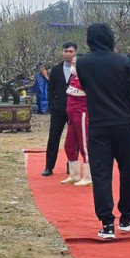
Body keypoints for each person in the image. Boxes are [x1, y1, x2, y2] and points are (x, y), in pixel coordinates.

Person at [76, 23, 130, 236]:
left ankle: (106, 223)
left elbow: (86, 88)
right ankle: (126, 216)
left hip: (98, 125)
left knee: (101, 174)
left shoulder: (83, 63)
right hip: (124, 124)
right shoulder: (123, 61)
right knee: (127, 173)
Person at [42, 43, 77, 176]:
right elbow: (50, 89)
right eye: (66, 51)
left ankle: (72, 164)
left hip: (74, 108)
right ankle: (49, 166)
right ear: (62, 52)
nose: (68, 54)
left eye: (71, 51)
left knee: (74, 139)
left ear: (75, 53)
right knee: (53, 137)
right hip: (58, 109)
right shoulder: (56, 69)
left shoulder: (80, 68)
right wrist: (52, 105)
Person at [63, 54, 91, 185]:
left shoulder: (87, 79)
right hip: (71, 117)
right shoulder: (73, 78)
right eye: (72, 64)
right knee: (69, 145)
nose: (72, 66)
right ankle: (74, 174)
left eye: (75, 64)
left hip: (82, 115)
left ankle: (88, 176)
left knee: (85, 145)